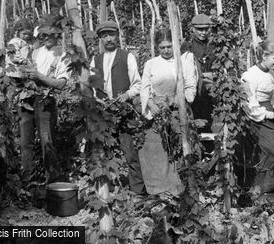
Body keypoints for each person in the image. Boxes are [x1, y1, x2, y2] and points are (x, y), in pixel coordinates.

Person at [87, 20, 144, 194]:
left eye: (111, 34)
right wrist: (98, 100)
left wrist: (126, 95)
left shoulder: (127, 56)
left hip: (123, 111)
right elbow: (92, 87)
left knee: (130, 151)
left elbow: (138, 84)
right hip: (103, 113)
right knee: (104, 151)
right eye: (104, 36)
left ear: (117, 36)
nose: (109, 39)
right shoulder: (95, 60)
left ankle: (138, 190)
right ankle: (106, 188)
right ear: (100, 39)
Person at [139, 29, 197, 195]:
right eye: (162, 47)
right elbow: (145, 88)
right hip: (157, 112)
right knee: (156, 148)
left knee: (179, 146)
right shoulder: (151, 64)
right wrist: (151, 103)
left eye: (169, 46)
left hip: (177, 110)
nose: (166, 50)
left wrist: (174, 101)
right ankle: (158, 189)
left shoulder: (183, 62)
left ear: (175, 45)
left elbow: (190, 90)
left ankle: (180, 188)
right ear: (157, 47)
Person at [240, 41, 274, 194]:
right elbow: (250, 106)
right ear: (264, 56)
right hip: (256, 120)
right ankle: (265, 188)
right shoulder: (250, 75)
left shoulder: (271, 74)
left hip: (271, 115)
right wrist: (272, 115)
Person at [19, 24, 71, 178]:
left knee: (47, 141)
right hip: (27, 99)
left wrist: (39, 76)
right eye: (43, 35)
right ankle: (28, 179)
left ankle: (52, 181)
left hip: (46, 101)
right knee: (25, 142)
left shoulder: (63, 55)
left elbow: (61, 84)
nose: (46, 38)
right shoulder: (34, 53)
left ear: (57, 35)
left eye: (50, 34)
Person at [181, 13, 216, 133]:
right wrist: (203, 76)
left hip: (211, 90)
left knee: (210, 121)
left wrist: (214, 76)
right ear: (193, 29)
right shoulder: (187, 46)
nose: (203, 32)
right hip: (194, 91)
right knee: (194, 120)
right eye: (200, 29)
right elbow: (184, 70)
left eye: (206, 29)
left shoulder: (214, 45)